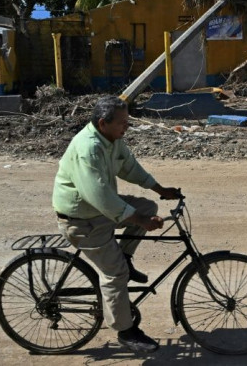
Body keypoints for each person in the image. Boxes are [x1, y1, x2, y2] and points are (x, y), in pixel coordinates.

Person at [52, 95, 182, 353]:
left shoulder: (112, 140)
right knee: (115, 274)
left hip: (98, 210)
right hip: (82, 219)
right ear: (103, 123)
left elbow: (130, 167)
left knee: (147, 206)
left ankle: (124, 257)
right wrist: (140, 221)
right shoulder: (88, 148)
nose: (127, 127)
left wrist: (160, 189)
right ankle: (126, 331)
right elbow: (98, 195)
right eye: (123, 122)